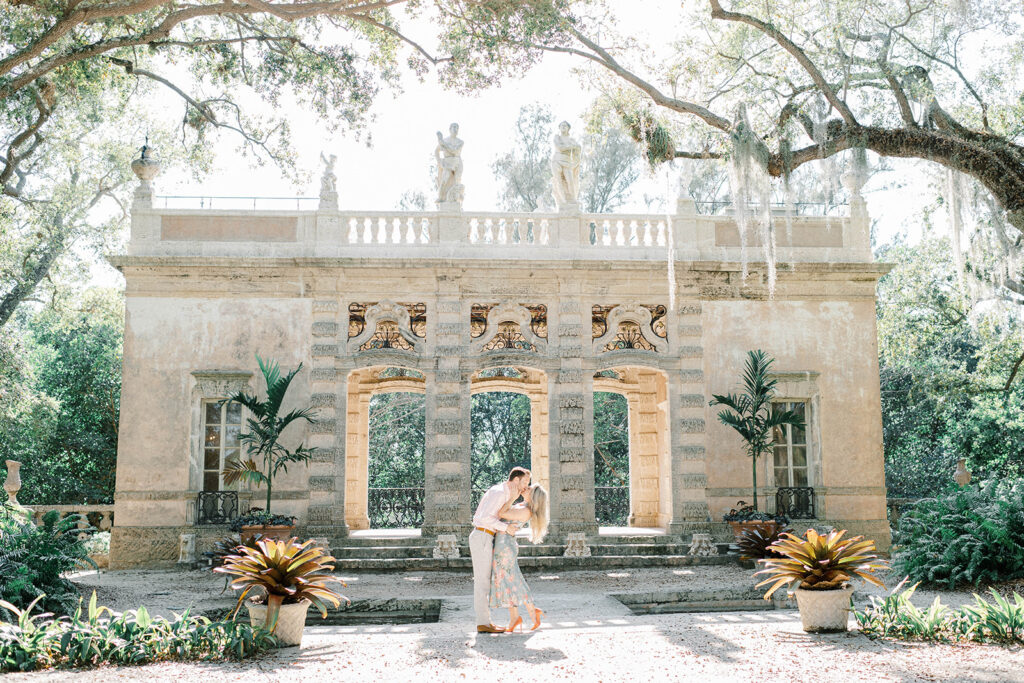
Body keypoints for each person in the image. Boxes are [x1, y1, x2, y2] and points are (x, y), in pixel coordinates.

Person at [470, 466, 531, 633]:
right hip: (482, 535)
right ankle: (483, 623)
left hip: (486, 537)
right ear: (516, 480)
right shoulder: (499, 492)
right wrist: (505, 529)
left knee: (485, 581)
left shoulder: (505, 494)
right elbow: (484, 518)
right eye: (524, 482)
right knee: (482, 582)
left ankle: (485, 621)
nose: (525, 486)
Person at [490, 483, 548, 632]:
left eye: (529, 489)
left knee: (512, 581)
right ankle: (516, 616)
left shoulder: (525, 510)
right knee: (508, 582)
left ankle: (530, 611)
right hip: (504, 544)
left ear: (533, 496)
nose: (525, 488)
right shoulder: (523, 506)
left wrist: (512, 499)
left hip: (504, 547)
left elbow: (501, 514)